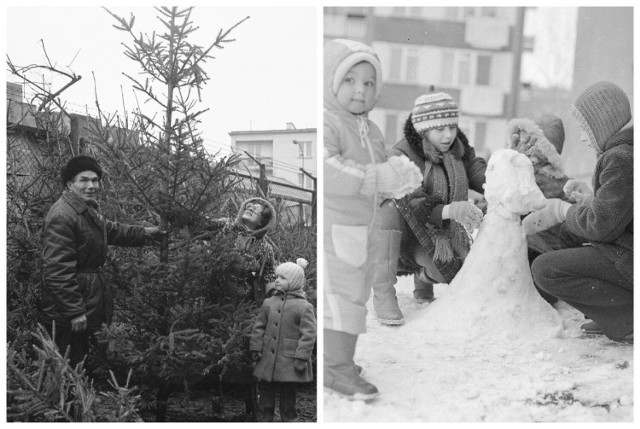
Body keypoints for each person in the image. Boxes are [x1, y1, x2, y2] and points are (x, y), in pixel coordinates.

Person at [323, 39, 422, 399]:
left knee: (357, 293)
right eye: (349, 80)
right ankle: (336, 370)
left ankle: (339, 357)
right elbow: (328, 168)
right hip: (336, 228)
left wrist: (398, 178)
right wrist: (373, 177)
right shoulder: (329, 122)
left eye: (368, 83)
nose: (360, 91)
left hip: (364, 228)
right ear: (331, 82)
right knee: (342, 296)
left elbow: (381, 172)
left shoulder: (372, 130)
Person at [525, 81, 633, 343]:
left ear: (603, 125)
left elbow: (601, 226)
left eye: (586, 129)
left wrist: (563, 210)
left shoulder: (619, 158)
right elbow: (621, 210)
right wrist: (592, 198)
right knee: (569, 236)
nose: (584, 138)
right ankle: (616, 314)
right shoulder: (627, 152)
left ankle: (628, 316)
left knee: (544, 269)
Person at [41, 155, 163, 368]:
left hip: (85, 298)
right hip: (68, 308)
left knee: (79, 362)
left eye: (95, 180)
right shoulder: (63, 215)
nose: (91, 185)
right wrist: (74, 311)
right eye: (84, 180)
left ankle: (78, 401)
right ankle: (66, 402)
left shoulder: (85, 211)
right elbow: (57, 270)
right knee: (67, 364)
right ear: (70, 184)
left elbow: (112, 231)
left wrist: (146, 233)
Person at [383, 92, 486, 309]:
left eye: (452, 127)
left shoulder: (458, 150)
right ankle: (419, 272)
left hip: (446, 230)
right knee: (444, 270)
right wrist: (453, 210)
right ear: (423, 130)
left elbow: (477, 172)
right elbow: (415, 204)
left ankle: (424, 284)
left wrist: (497, 178)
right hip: (409, 234)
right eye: (440, 130)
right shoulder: (401, 156)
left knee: (463, 270)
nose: (448, 136)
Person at [249, 259, 316, 422]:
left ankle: (289, 421)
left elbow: (308, 335)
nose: (277, 280)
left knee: (288, 399)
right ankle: (264, 420)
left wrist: (301, 357)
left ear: (293, 282)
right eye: (277, 276)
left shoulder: (303, 307)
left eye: (283, 278)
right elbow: (259, 327)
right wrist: (256, 348)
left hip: (290, 361)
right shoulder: (268, 303)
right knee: (265, 396)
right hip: (267, 360)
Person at [205, 197, 277, 304]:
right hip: (210, 298)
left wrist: (277, 295)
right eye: (249, 206)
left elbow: (269, 277)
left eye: (256, 209)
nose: (250, 209)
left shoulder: (265, 248)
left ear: (262, 221)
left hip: (240, 307)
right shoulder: (226, 226)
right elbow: (202, 225)